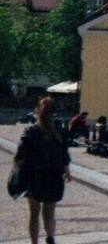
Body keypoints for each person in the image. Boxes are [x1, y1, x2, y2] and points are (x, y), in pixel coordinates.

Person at [16, 97, 72, 244]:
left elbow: (20, 156)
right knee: (49, 213)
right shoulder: (59, 131)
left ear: (37, 111)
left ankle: (35, 243)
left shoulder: (31, 131)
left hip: (33, 177)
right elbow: (64, 154)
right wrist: (67, 171)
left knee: (34, 214)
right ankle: (50, 237)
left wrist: (18, 173)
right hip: (53, 176)